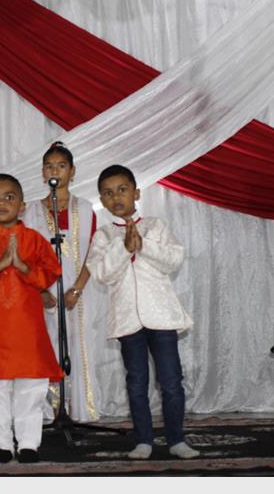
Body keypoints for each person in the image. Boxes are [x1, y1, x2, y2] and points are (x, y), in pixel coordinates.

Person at [85, 165, 199, 460]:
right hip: (128, 321)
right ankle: (144, 440)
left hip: (161, 317)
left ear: (136, 193)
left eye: (122, 190)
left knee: (171, 381)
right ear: (102, 200)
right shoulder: (103, 236)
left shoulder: (155, 225)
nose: (116, 197)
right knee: (136, 383)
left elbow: (173, 259)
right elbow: (101, 274)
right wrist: (124, 249)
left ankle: (176, 439)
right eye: (108, 193)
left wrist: (142, 245)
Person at [0, 174, 63, 464]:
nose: (2, 203)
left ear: (22, 205)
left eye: (9, 197)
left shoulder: (35, 240)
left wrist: (23, 267)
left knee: (31, 389)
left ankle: (29, 444)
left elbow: (50, 274)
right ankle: (3, 444)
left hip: (27, 331)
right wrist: (0, 265)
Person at [24, 142, 103, 423]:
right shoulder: (31, 211)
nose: (55, 171)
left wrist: (77, 289)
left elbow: (94, 252)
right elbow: (26, 255)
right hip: (42, 293)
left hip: (77, 293)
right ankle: (51, 409)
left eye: (61, 166)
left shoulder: (86, 208)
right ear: (43, 173)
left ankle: (78, 408)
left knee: (78, 346)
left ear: (72, 171)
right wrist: (41, 290)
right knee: (45, 347)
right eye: (49, 166)